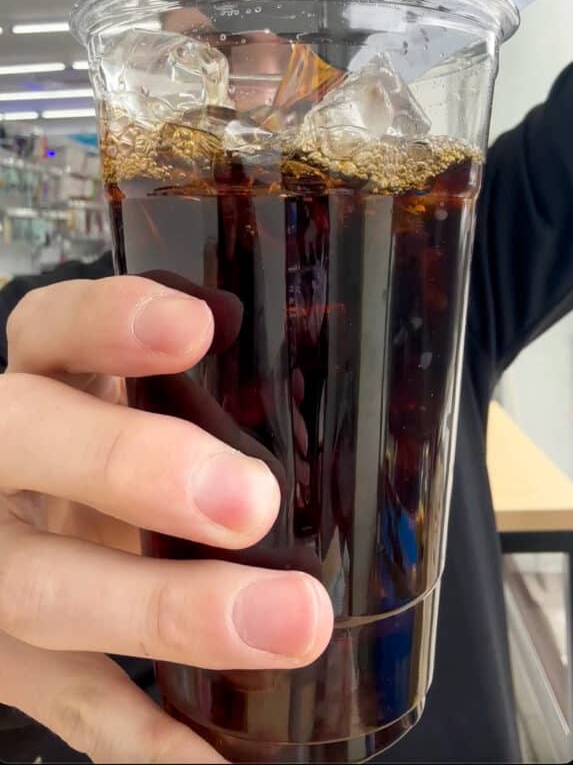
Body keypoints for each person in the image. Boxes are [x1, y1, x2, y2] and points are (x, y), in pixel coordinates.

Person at [1, 60, 572, 765]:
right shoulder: (34, 338)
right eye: (215, 38)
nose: (267, 67)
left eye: (313, 39)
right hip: (179, 723)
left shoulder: (441, 243)